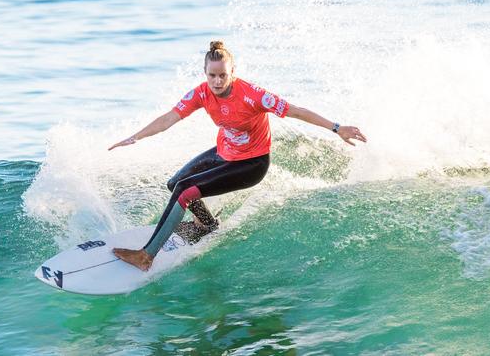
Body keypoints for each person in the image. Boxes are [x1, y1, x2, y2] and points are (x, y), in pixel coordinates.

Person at [108, 41, 367, 271]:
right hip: (225, 152)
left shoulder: (254, 95)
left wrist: (337, 128)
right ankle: (206, 225)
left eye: (223, 75)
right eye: (212, 75)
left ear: (233, 72)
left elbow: (296, 111)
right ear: (205, 73)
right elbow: (169, 118)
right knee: (174, 184)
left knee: (186, 189)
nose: (217, 81)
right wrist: (136, 136)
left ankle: (145, 256)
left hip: (251, 163)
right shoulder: (202, 92)